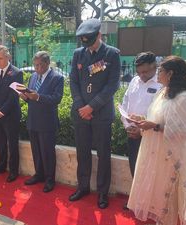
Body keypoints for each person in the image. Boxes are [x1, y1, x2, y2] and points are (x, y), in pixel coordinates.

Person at [128, 56, 186, 225]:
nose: (157, 74)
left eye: (160, 71)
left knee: (168, 196)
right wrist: (142, 119)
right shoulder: (163, 93)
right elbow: (156, 118)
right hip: (156, 151)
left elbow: (184, 132)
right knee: (157, 192)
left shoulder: (184, 99)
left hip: (172, 156)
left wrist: (154, 126)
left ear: (170, 74)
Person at [68, 18, 120, 209]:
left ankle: (102, 192)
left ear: (99, 35)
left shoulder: (112, 54)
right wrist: (82, 106)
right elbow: (73, 81)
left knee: (103, 154)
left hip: (101, 114)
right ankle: (83, 187)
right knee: (82, 153)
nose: (88, 46)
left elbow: (112, 85)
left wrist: (92, 107)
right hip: (81, 113)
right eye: (85, 43)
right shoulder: (78, 54)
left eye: (91, 41)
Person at [20, 51, 64, 193]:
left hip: (47, 122)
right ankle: (39, 175)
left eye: (39, 65)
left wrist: (38, 97)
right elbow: (31, 97)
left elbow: (56, 99)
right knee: (36, 151)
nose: (37, 68)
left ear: (47, 63)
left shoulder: (57, 78)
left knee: (47, 152)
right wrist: (25, 96)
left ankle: (50, 179)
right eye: (35, 65)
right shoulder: (33, 76)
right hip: (33, 120)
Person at [121, 52, 162, 178]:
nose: (141, 75)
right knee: (134, 169)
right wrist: (127, 125)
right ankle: (136, 198)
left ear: (154, 66)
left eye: (145, 72)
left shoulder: (161, 84)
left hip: (151, 136)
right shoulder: (134, 81)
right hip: (132, 133)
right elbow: (125, 102)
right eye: (139, 72)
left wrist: (142, 130)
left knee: (149, 173)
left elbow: (162, 113)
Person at [0, 45, 23, 182]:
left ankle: (13, 171)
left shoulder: (17, 73)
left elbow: (14, 96)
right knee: (0, 143)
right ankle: (0, 166)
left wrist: (2, 111)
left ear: (8, 57)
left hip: (11, 115)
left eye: (0, 58)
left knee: (12, 144)